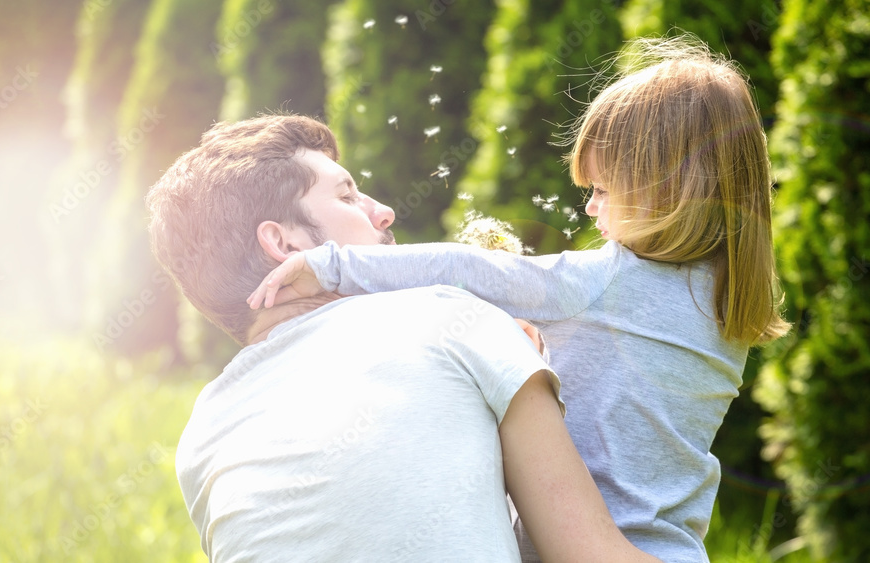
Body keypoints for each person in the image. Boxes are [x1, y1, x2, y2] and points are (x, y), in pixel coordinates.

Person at [248, 36, 791, 563]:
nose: (589, 210)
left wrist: (331, 266)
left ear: (664, 188)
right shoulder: (725, 302)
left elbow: (466, 268)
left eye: (601, 190)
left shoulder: (602, 282)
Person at [147, 114, 659, 562]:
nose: (383, 211)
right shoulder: (449, 317)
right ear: (285, 243)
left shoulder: (203, 432)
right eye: (346, 195)